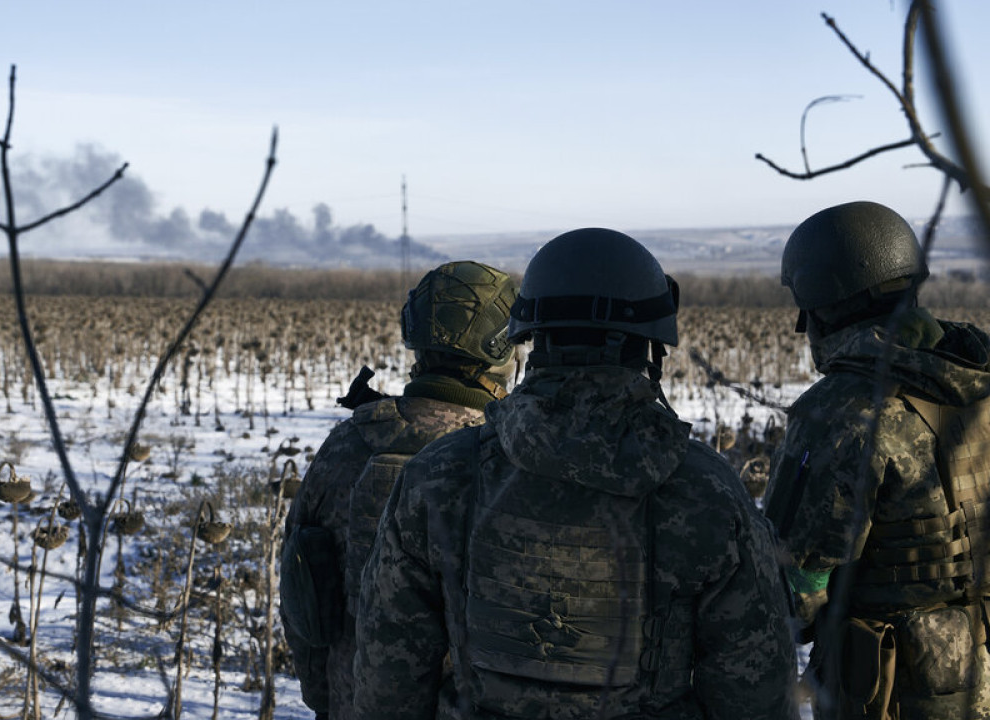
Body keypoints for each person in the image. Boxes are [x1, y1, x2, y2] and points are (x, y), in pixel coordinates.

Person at [354, 228, 798, 719]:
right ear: (652, 347)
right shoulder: (707, 492)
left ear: (526, 337)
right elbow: (757, 689)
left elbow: (387, 679)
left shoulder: (437, 478)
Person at [764, 200, 990, 719]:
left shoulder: (841, 412)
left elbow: (792, 581)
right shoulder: (979, 378)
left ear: (820, 304)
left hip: (900, 685)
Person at [279, 260, 519, 720]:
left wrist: (328, 702)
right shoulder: (508, 457)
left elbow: (302, 593)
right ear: (501, 349)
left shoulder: (348, 443)